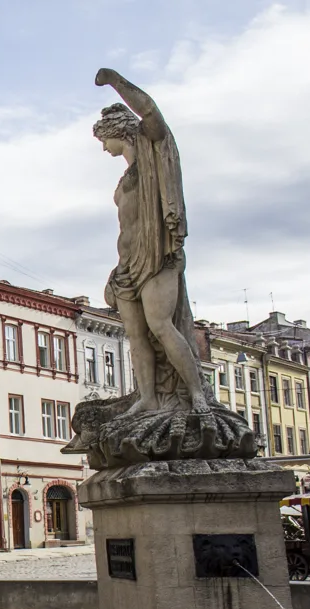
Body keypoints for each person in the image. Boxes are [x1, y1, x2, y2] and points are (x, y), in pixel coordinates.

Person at [93, 67, 207, 415]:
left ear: (118, 133)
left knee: (161, 325)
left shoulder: (153, 156)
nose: (103, 149)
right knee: (137, 337)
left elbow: (151, 113)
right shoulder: (127, 175)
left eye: (103, 141)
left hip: (156, 256)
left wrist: (115, 82)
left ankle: (196, 394)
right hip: (127, 264)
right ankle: (148, 397)